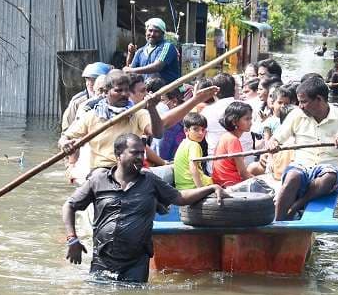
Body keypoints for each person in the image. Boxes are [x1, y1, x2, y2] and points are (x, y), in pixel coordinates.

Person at [63, 133, 228, 282]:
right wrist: (73, 239)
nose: (140, 157)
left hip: (136, 263)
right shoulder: (98, 181)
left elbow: (180, 198)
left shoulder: (150, 181)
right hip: (102, 259)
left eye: (142, 153)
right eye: (135, 153)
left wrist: (211, 188)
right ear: (118, 156)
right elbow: (69, 206)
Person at [267, 77, 338, 220]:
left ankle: (297, 205)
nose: (300, 106)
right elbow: (275, 138)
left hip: (327, 170)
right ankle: (278, 222)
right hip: (301, 166)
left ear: (319, 99)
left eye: (304, 102)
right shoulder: (296, 115)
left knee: (329, 176)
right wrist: (272, 144)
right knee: (292, 176)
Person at [59, 70, 163, 177]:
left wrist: (152, 109)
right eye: (118, 90)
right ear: (105, 91)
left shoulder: (138, 114)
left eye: (127, 90)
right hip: (101, 172)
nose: (124, 94)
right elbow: (65, 137)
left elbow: (158, 134)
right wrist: (64, 144)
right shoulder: (92, 115)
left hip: (132, 170)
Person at [211, 101, 263, 187]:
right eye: (246, 119)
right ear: (234, 121)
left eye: (250, 119)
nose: (250, 122)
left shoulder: (226, 136)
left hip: (222, 183)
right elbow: (243, 173)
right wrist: (261, 183)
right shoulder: (233, 140)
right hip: (231, 184)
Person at [124, 18, 180, 84]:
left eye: (156, 31)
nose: (152, 34)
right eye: (150, 30)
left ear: (162, 34)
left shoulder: (167, 46)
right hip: (147, 90)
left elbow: (157, 67)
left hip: (167, 90)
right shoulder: (141, 51)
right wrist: (130, 54)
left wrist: (131, 70)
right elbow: (130, 70)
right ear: (146, 32)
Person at [61, 62, 112, 131]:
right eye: (87, 79)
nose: (89, 83)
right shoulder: (78, 102)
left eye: (94, 80)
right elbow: (67, 126)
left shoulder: (115, 98)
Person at [173, 112, 213, 190]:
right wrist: (201, 190)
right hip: (192, 187)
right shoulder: (194, 145)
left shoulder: (184, 143)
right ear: (186, 130)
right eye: (195, 129)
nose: (201, 133)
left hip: (182, 187)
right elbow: (193, 168)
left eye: (203, 129)